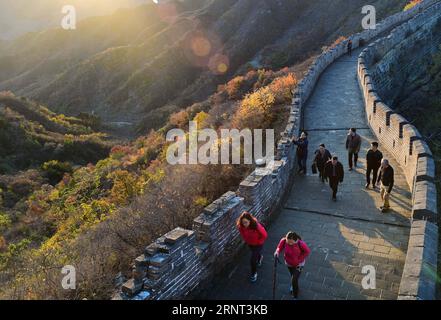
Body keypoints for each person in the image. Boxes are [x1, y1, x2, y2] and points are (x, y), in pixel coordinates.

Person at [274, 231, 310, 299]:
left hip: (299, 264)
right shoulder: (284, 241)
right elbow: (279, 247)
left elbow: (307, 251)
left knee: (294, 279)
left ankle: (295, 296)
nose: (290, 243)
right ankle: (294, 286)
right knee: (293, 277)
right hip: (289, 264)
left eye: (291, 242)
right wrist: (277, 252)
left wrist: (299, 260)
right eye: (288, 241)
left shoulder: (300, 243)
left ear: (296, 240)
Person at [237, 211, 268, 282]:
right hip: (250, 244)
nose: (244, 224)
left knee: (253, 260)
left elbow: (265, 235)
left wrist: (259, 242)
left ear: (250, 221)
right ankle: (260, 257)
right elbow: (242, 234)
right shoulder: (241, 226)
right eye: (243, 222)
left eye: (246, 222)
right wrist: (246, 240)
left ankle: (254, 274)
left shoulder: (256, 226)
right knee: (256, 253)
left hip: (258, 244)